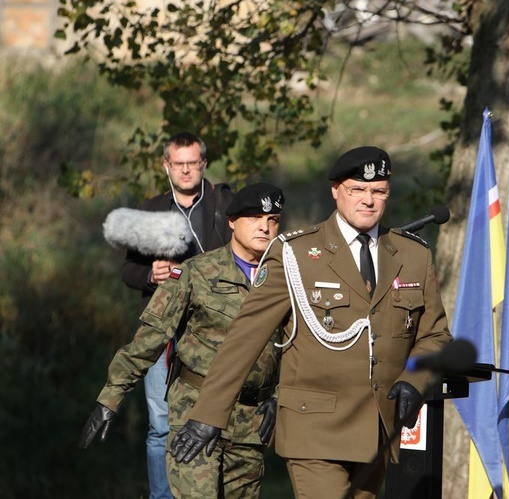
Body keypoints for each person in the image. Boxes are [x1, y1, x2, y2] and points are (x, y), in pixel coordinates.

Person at [170, 146, 453, 498]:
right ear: (336, 191)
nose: (368, 200)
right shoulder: (297, 253)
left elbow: (436, 334)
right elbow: (246, 337)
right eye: (357, 190)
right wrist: (208, 415)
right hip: (315, 428)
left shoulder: (412, 255)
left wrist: (414, 379)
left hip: (378, 428)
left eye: (378, 191)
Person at [80, 183, 285, 498]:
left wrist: (280, 397)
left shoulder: (287, 279)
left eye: (272, 220)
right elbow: (150, 337)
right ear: (232, 221)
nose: (264, 226)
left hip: (250, 424)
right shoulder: (196, 272)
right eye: (254, 217)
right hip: (194, 412)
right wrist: (110, 397)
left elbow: (303, 348)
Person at [120, 132, 234, 498]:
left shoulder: (225, 205)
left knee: (215, 417)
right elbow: (128, 270)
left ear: (203, 164)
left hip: (212, 330)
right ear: (166, 166)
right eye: (178, 164)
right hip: (163, 330)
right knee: (159, 424)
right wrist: (149, 275)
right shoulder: (151, 209)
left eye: (192, 163)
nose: (186, 170)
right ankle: (161, 495)